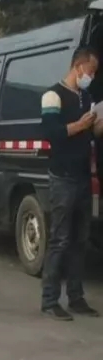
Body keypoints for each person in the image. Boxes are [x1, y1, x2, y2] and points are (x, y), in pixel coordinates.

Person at [39, 46, 102, 321]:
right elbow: (51, 132)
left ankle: (76, 297)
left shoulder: (87, 97)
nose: (92, 76)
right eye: (90, 71)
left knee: (80, 239)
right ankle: (50, 300)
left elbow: (91, 133)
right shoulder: (53, 95)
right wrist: (80, 124)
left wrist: (97, 124)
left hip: (83, 177)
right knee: (60, 239)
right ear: (78, 67)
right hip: (62, 177)